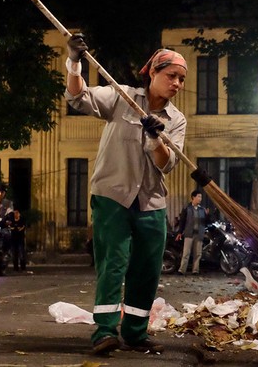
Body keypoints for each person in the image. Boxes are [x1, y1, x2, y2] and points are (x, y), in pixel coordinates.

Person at [65, 34, 189, 355]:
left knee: (147, 268)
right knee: (114, 262)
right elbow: (79, 97)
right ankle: (105, 331)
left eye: (181, 79)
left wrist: (154, 138)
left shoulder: (176, 120)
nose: (176, 83)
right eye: (171, 75)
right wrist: (74, 63)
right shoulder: (121, 97)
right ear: (152, 73)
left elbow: (166, 164)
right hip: (112, 195)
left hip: (151, 201)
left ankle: (135, 332)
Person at [176, 190, 210, 275]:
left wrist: (207, 215)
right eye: (198, 196)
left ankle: (195, 270)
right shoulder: (187, 208)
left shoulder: (202, 209)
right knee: (186, 253)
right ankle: (182, 270)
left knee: (198, 254)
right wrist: (180, 232)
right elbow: (182, 221)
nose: (200, 199)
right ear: (193, 197)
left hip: (199, 234)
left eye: (201, 197)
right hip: (189, 233)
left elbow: (207, 222)